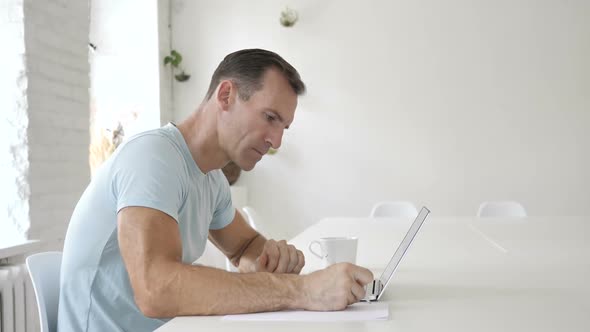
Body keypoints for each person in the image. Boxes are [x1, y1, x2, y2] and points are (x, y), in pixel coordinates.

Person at [57, 49, 373, 332]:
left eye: (283, 128)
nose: (276, 141)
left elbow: (244, 247)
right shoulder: (153, 158)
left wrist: (270, 260)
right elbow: (156, 289)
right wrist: (302, 290)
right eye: (270, 118)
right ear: (226, 96)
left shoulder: (212, 180)